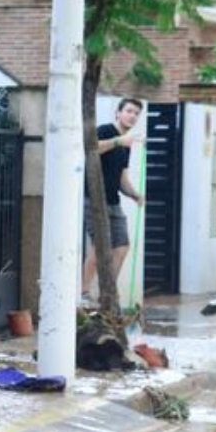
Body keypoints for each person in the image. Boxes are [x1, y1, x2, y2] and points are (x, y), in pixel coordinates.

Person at [82, 97, 146, 300]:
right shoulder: (105, 130)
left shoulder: (127, 145)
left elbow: (122, 179)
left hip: (113, 201)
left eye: (136, 113)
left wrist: (134, 194)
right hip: (94, 199)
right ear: (118, 113)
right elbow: (91, 148)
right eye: (129, 111)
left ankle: (106, 293)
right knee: (100, 246)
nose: (133, 116)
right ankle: (84, 292)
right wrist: (118, 141)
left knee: (122, 246)